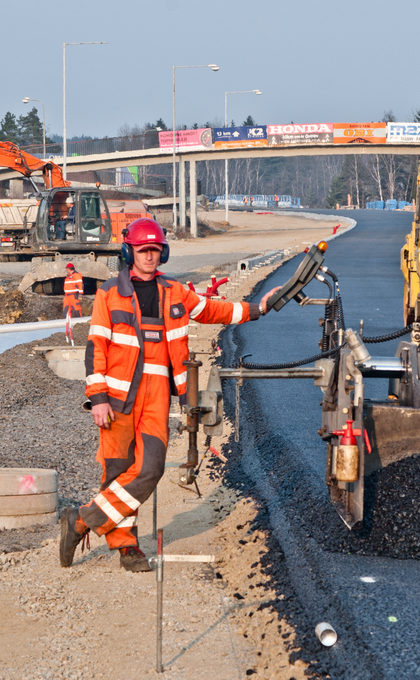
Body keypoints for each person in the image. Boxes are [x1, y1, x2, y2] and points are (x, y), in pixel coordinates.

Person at [59, 218, 276, 572]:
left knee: (150, 469)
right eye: (143, 250)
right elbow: (96, 346)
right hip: (116, 398)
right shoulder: (109, 293)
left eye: (155, 250)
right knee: (118, 471)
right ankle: (126, 546)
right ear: (129, 252)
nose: (150, 256)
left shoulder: (175, 292)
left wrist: (258, 308)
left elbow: (212, 310)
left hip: (157, 396)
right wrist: (97, 398)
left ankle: (82, 520)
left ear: (163, 252)